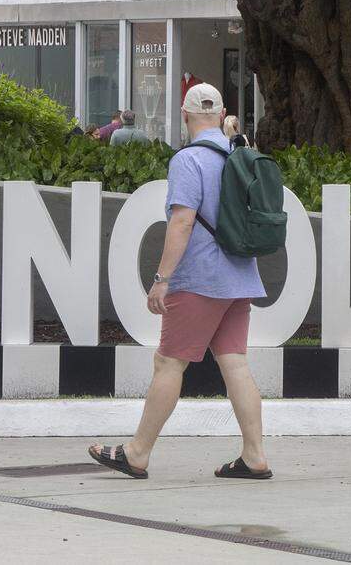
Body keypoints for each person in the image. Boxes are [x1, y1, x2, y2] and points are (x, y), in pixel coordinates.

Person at [88, 83, 271, 480]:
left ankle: (136, 453)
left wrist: (161, 279)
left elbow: (183, 221)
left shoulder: (188, 161)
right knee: (235, 362)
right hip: (240, 274)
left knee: (168, 362)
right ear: (221, 116)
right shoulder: (237, 152)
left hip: (200, 278)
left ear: (184, 117)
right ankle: (254, 455)